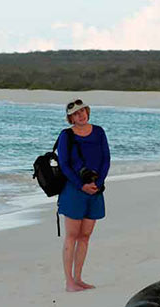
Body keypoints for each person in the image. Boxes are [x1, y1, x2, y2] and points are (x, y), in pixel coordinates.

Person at [57, 99, 110, 292]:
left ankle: (78, 278)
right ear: (71, 117)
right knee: (72, 235)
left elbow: (106, 159)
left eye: (83, 111)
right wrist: (81, 185)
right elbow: (64, 165)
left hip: (96, 189)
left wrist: (98, 182)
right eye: (76, 113)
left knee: (85, 236)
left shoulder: (99, 132)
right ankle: (69, 282)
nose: (81, 115)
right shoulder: (66, 135)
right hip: (74, 191)